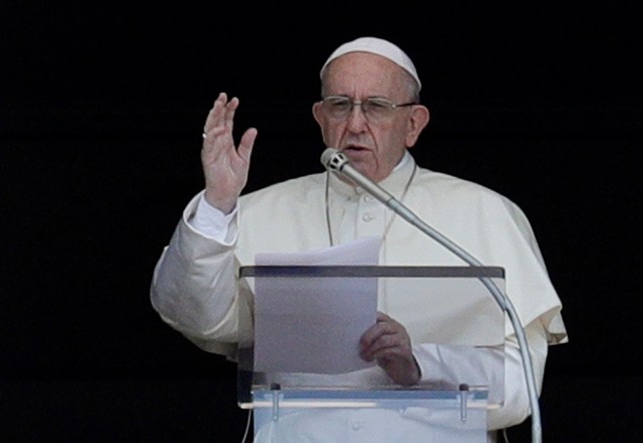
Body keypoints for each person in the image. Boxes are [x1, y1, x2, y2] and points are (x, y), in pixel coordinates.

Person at [150, 36, 567, 442]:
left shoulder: (484, 213)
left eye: (376, 107)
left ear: (413, 123)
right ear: (319, 117)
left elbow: (521, 383)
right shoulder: (261, 210)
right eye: (339, 105)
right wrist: (218, 203)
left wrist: (420, 364)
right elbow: (193, 317)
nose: (354, 123)